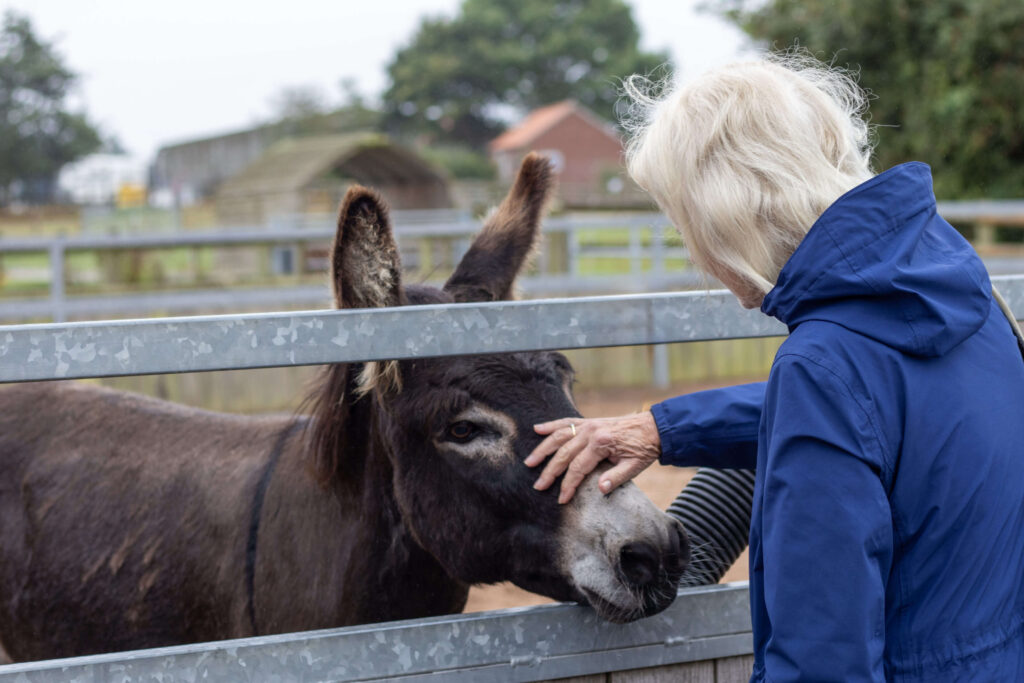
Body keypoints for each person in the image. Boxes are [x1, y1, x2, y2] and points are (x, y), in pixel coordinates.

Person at [525, 54, 1024, 682]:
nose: (698, 256)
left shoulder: (823, 364)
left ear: (726, 212)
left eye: (685, 223)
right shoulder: (961, 292)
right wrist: (665, 428)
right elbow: (894, 413)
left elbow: (822, 656)